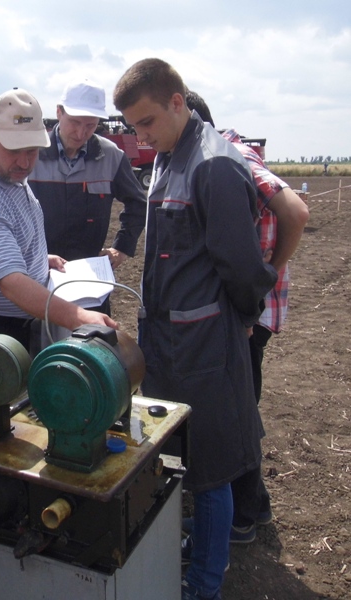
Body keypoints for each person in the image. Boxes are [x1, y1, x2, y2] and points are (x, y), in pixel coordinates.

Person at [113, 59, 278, 600]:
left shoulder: (213, 166)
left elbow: (245, 270)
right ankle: (188, 550)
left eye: (148, 123)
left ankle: (204, 582)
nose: (141, 138)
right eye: (134, 128)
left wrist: (240, 323)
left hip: (206, 347)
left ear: (178, 102)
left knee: (211, 469)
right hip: (168, 345)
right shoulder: (168, 157)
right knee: (175, 455)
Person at [0, 88, 118, 425]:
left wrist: (36, 257)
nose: (24, 162)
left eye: (32, 151)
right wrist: (79, 317)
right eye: (15, 150)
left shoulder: (1, 169)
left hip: (11, 321)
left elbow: (12, 230)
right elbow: (13, 285)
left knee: (20, 422)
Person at [185, 90, 309, 544]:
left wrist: (266, 276)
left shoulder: (228, 156)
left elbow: (295, 211)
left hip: (247, 311)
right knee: (241, 404)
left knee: (235, 413)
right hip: (249, 308)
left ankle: (244, 512)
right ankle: (251, 509)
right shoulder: (231, 152)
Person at [28, 78, 146, 297]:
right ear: (59, 112)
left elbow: (138, 203)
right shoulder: (30, 153)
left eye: (90, 125)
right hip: (35, 273)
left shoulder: (112, 156)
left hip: (90, 278)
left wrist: (121, 248)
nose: (81, 133)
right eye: (74, 122)